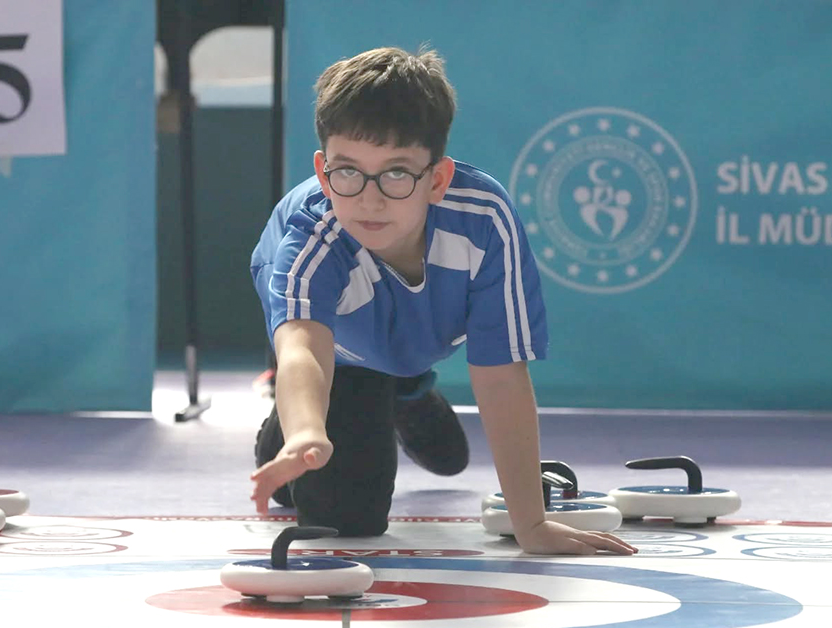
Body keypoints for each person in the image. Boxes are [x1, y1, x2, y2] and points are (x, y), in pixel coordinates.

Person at [248, 46, 635, 556]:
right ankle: (289, 429)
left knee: (451, 459)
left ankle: (407, 387)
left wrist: (530, 524)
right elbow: (302, 349)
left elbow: (501, 375)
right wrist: (304, 433)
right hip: (341, 353)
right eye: (347, 172)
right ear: (323, 173)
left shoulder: (484, 222)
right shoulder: (310, 237)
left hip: (411, 338)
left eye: (396, 173)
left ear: (437, 180)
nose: (369, 199)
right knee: (346, 518)